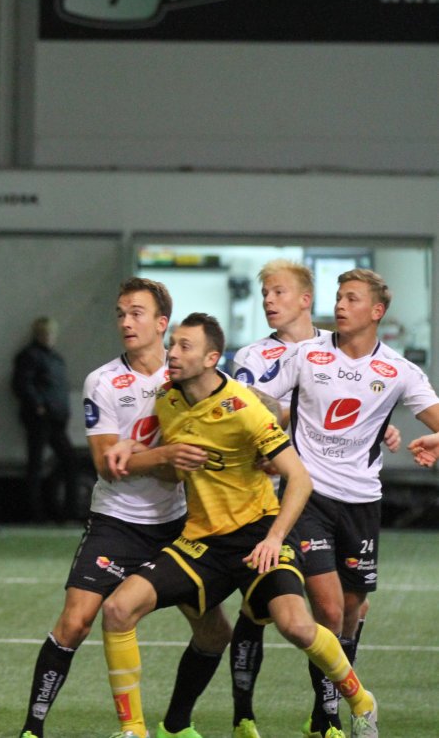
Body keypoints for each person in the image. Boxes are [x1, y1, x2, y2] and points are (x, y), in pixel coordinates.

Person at [100, 312, 380, 738]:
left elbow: (300, 478)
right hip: (202, 542)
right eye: (172, 344)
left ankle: (361, 700)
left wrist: (274, 538)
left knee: (296, 625)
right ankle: (133, 731)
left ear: (211, 358)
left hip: (257, 536)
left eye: (185, 346)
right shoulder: (168, 398)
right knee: (118, 609)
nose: (172, 353)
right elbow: (158, 444)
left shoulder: (244, 408)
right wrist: (131, 445)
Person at [18, 278, 231, 738]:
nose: (126, 322)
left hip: (178, 526)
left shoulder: (188, 374)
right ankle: (32, 729)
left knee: (216, 632)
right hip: (116, 523)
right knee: (75, 623)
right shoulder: (103, 381)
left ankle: (176, 724)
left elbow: (206, 447)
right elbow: (106, 464)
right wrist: (165, 456)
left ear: (162, 323)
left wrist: (141, 454)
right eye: (120, 314)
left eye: (137, 313)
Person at [253, 269, 438, 738]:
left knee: (352, 611)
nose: (339, 305)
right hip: (308, 496)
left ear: (376, 311)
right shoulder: (305, 354)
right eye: (338, 297)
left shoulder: (397, 370)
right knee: (330, 611)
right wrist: (263, 440)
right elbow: (259, 401)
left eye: (351, 298)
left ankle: (327, 712)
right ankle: (332, 716)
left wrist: (435, 437)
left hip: (362, 503)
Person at [225, 261, 398, 738]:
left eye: (278, 291)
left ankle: (326, 715)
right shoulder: (255, 355)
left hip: (331, 496)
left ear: (305, 299)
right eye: (265, 293)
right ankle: (244, 715)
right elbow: (252, 412)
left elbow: (354, 401)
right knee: (260, 606)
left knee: (346, 610)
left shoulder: (337, 345)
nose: (268, 300)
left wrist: (377, 424)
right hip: (265, 499)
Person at [12, 316, 79, 522]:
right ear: (37, 334)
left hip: (56, 419)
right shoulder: (30, 356)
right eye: (44, 333)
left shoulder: (55, 358)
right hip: (40, 419)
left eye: (50, 333)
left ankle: (69, 512)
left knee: (68, 462)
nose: (48, 337)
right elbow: (21, 384)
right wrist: (38, 406)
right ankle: (36, 513)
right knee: (37, 464)